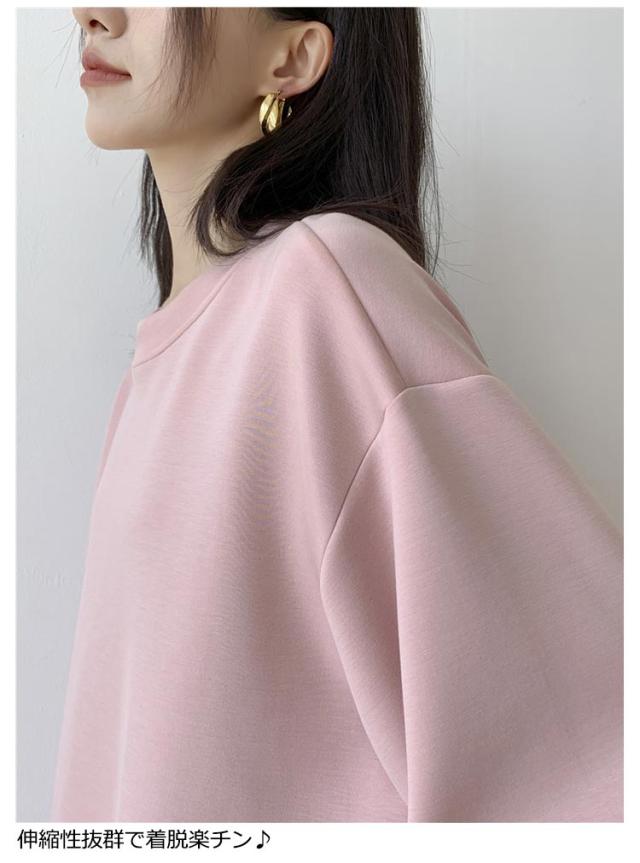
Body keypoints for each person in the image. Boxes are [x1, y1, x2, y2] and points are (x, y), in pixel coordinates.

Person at [51, 7, 622, 823]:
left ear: (293, 58)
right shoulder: (156, 368)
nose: (93, 11)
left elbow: (591, 750)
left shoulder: (322, 292)